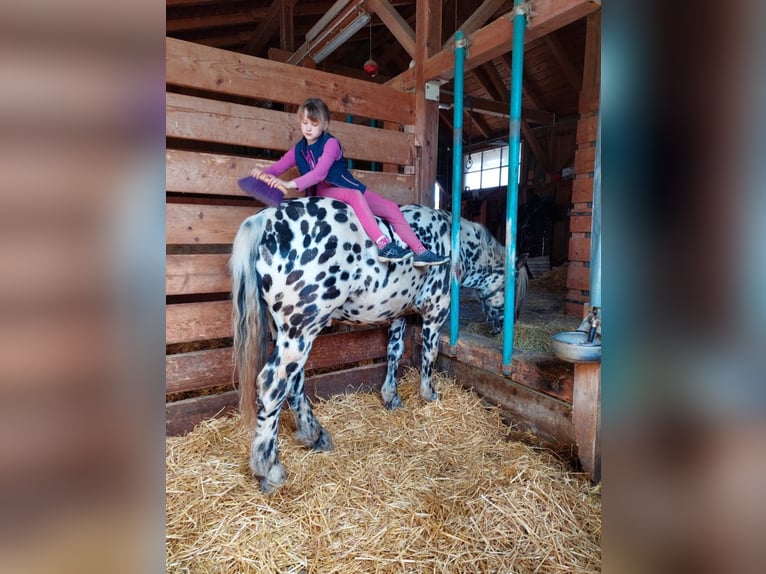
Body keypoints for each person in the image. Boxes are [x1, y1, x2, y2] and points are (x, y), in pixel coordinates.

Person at [252, 98, 448, 267]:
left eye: (314, 123)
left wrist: (288, 184)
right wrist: (261, 174)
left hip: (343, 186)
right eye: (304, 123)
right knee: (353, 196)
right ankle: (384, 245)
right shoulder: (299, 149)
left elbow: (320, 173)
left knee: (391, 208)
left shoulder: (331, 143)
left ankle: (420, 252)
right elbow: (278, 168)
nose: (308, 128)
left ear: (325, 124)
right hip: (322, 192)